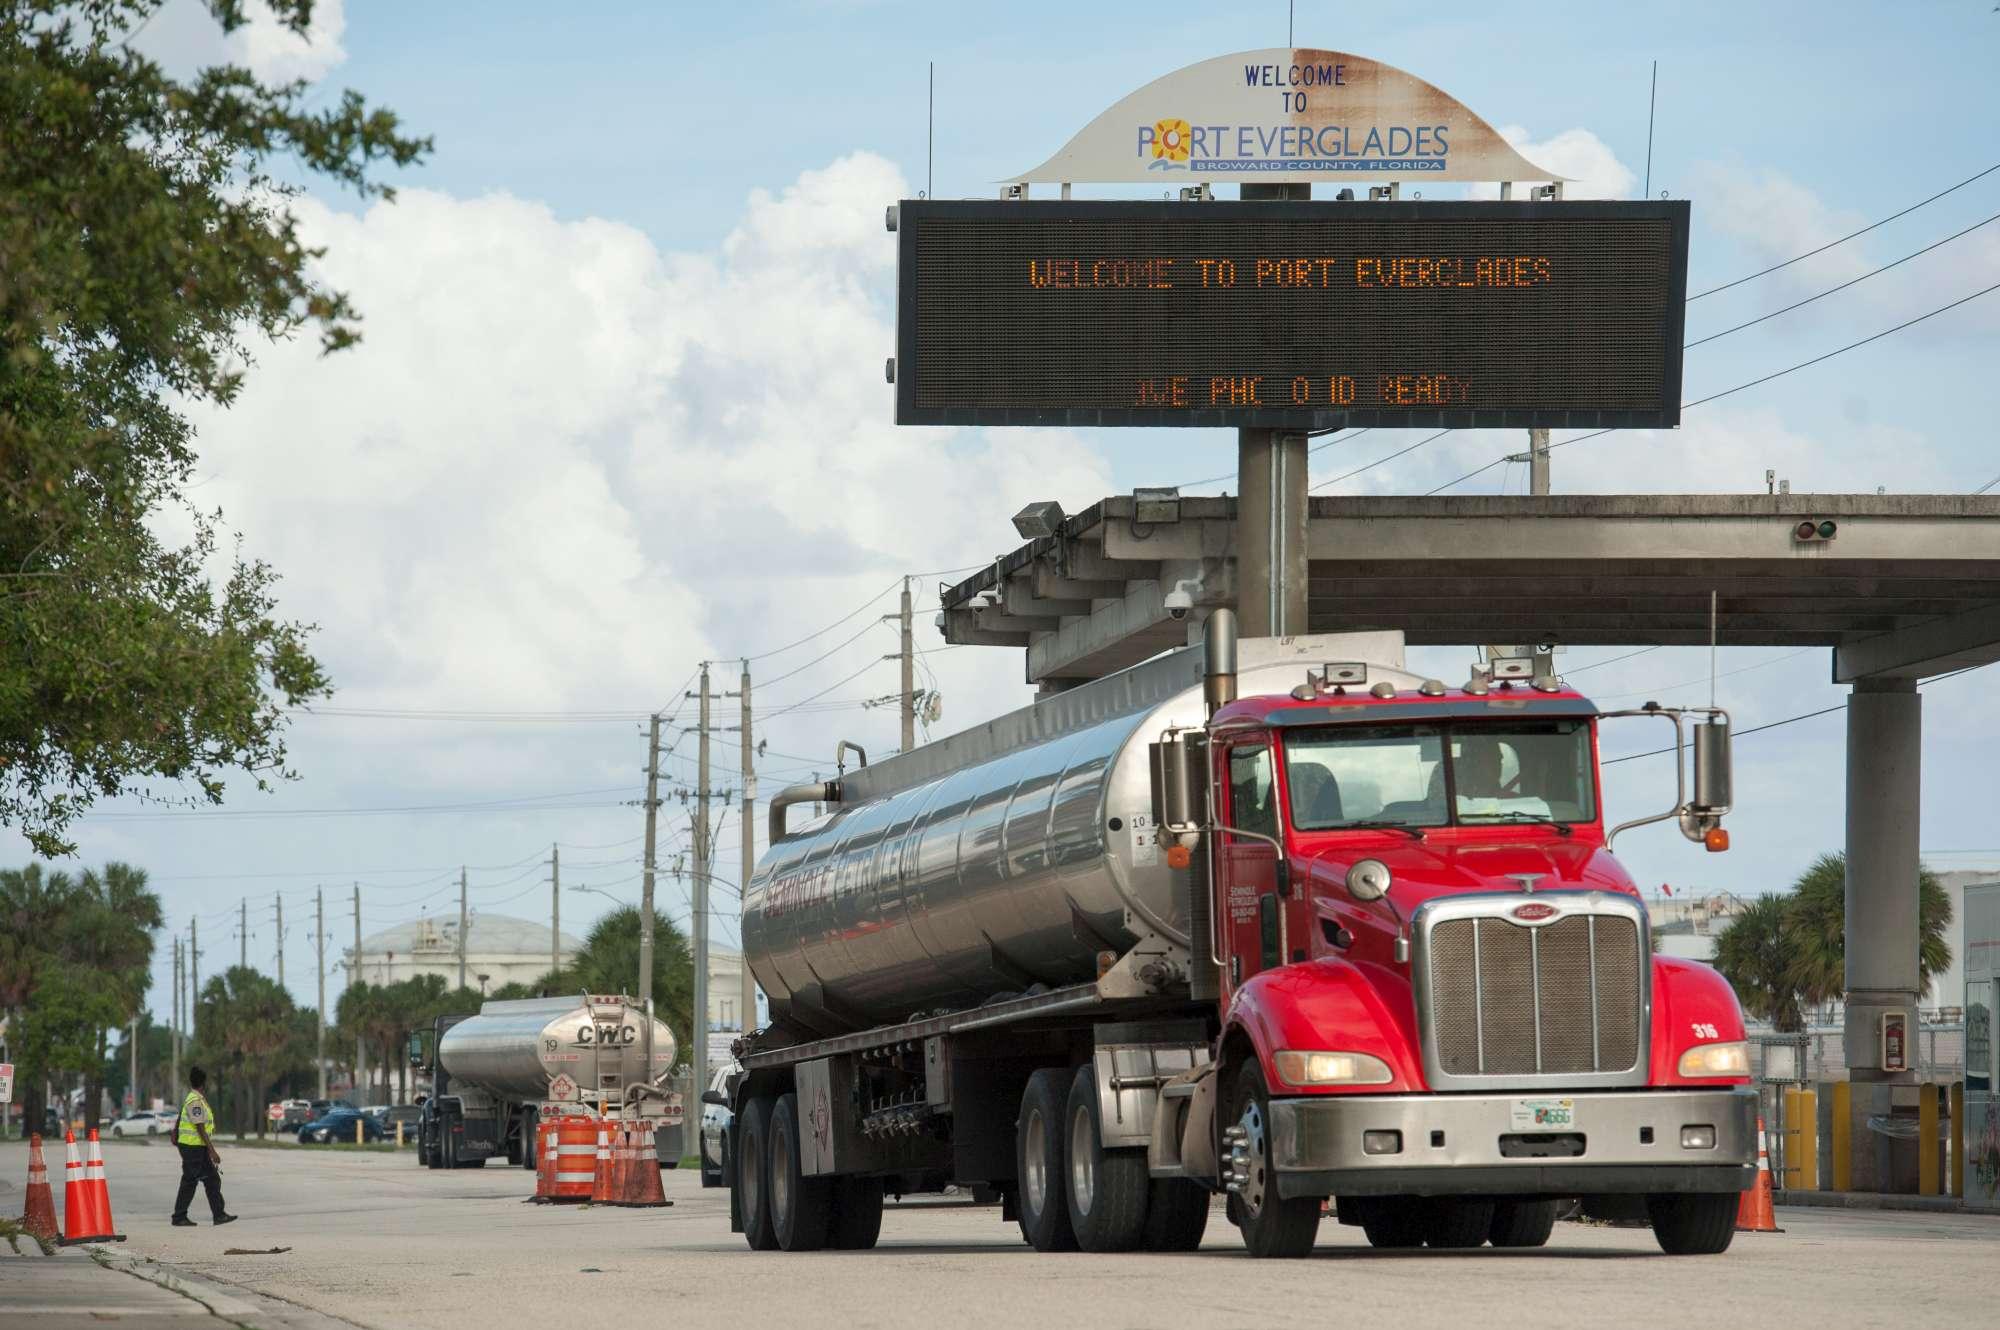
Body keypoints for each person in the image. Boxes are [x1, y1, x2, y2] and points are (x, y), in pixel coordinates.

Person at [171, 1066, 236, 1228]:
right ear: (203, 1083)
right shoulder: (194, 1100)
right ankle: (179, 1217)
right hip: (192, 1146)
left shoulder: (196, 1098)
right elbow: (199, 1126)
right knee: (190, 1181)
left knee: (212, 1179)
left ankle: (219, 1215)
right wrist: (212, 1150)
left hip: (197, 1146)